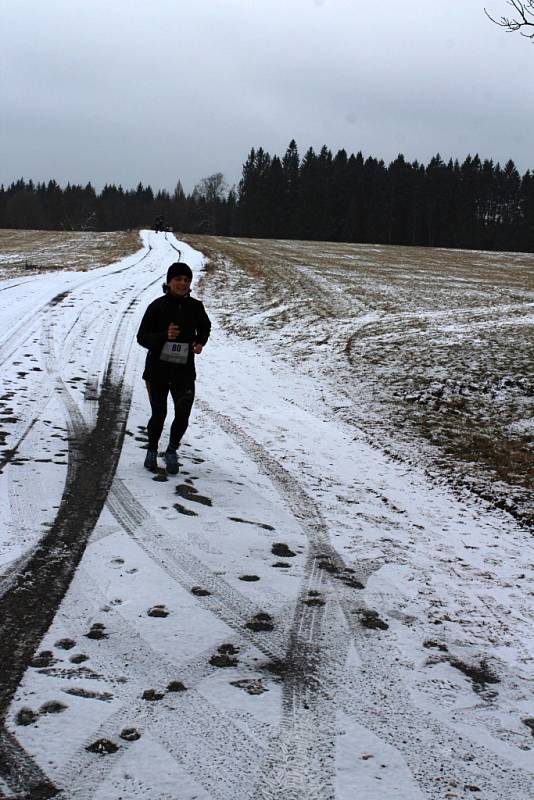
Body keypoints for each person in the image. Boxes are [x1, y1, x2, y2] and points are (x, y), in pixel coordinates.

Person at [137, 262, 211, 473]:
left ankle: (171, 450)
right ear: (169, 282)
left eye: (186, 280)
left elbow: (205, 327)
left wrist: (200, 342)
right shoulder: (157, 306)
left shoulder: (196, 307)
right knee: (159, 414)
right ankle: (152, 449)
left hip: (184, 370)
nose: (182, 283)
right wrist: (163, 336)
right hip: (157, 371)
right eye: (178, 279)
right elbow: (142, 337)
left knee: (183, 414)